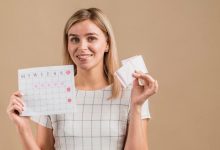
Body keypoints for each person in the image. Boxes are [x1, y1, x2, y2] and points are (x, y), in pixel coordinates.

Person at [7, 8, 158, 150]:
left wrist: (137, 106)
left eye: (91, 38)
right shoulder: (53, 92)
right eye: (74, 39)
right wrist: (23, 127)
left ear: (107, 44)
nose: (82, 47)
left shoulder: (132, 92)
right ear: (67, 45)